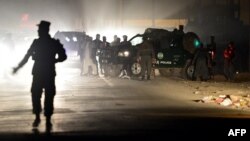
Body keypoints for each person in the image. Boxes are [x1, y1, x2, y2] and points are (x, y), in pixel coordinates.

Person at [12, 20, 67, 129]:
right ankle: (47, 119)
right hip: (49, 72)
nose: (38, 31)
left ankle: (39, 117)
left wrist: (18, 67)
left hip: (39, 72)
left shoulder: (37, 43)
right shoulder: (53, 42)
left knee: (37, 94)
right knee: (48, 95)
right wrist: (54, 61)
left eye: (39, 29)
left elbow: (27, 56)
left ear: (44, 30)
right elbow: (63, 56)